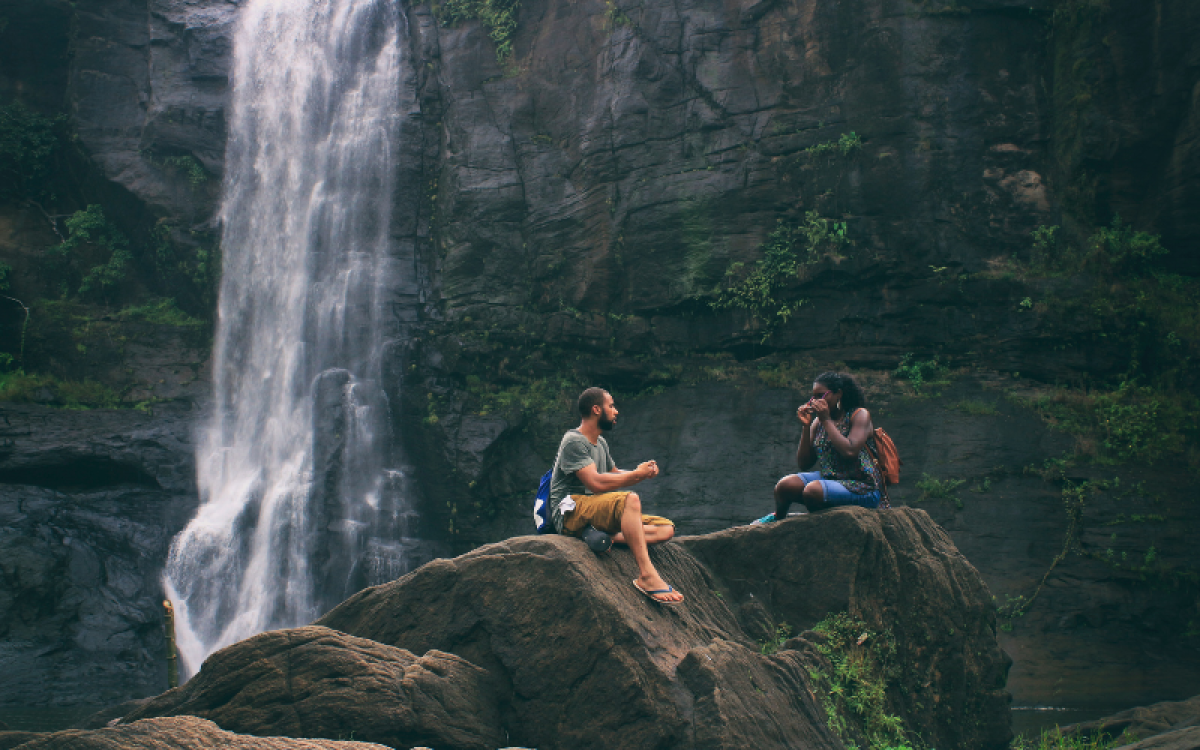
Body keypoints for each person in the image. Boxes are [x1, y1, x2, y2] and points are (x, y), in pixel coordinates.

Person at [550, 387, 684, 604]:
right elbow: (595, 482)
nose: (616, 411)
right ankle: (647, 576)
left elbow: (613, 474)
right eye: (611, 406)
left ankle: (604, 535)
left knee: (666, 529)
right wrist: (636, 476)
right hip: (570, 510)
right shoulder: (573, 440)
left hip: (593, 509)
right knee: (629, 499)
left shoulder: (600, 442)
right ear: (596, 409)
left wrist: (641, 473)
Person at [753, 371, 883, 524]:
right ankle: (778, 519)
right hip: (831, 479)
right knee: (785, 485)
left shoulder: (859, 415)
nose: (814, 401)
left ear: (838, 394)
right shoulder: (818, 422)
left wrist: (826, 419)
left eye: (821, 396)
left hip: (863, 486)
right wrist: (806, 426)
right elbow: (804, 464)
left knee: (812, 491)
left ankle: (819, 523)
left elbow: (850, 452)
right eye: (813, 396)